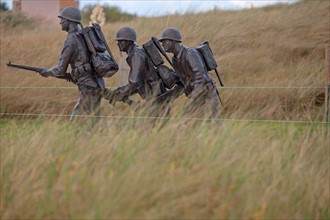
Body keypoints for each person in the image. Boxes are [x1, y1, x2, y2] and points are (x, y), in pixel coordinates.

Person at [40, 7, 105, 125]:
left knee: (76, 121)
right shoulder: (84, 35)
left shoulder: (71, 39)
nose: (60, 22)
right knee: (94, 120)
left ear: (69, 21)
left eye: (62, 19)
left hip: (88, 87)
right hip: (98, 83)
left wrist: (47, 72)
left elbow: (60, 70)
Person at [159, 27, 221, 120]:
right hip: (194, 94)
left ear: (173, 40)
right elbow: (183, 79)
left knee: (213, 120)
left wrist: (195, 96)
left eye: (164, 41)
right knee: (194, 121)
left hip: (206, 92)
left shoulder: (190, 53)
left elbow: (200, 76)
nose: (162, 44)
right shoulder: (175, 59)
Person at [109, 27, 170, 118]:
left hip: (156, 96)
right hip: (152, 94)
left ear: (128, 41)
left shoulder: (136, 55)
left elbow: (133, 82)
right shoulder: (134, 53)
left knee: (155, 123)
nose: (118, 44)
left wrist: (119, 92)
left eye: (121, 41)